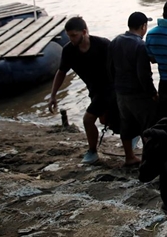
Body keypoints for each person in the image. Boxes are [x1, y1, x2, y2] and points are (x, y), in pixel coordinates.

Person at [48, 17, 118, 165]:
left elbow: (119, 65)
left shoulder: (103, 44)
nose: (71, 39)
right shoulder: (68, 51)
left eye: (74, 35)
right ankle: (128, 135)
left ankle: (92, 151)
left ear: (84, 32)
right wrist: (53, 95)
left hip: (111, 87)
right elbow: (61, 72)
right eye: (69, 36)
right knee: (105, 120)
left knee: (88, 119)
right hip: (94, 90)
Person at [107, 12, 158, 167]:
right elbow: (144, 74)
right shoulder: (140, 46)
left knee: (126, 124)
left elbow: (109, 68)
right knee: (147, 126)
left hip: (121, 92)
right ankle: (148, 159)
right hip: (137, 93)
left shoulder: (115, 41)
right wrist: (152, 93)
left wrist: (115, 88)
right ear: (143, 27)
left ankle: (129, 156)